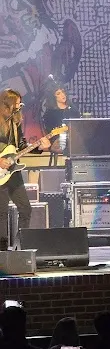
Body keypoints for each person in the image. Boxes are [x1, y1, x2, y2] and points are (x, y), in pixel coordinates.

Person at [0, 89, 50, 250]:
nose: (19, 105)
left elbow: (21, 146)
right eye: (17, 103)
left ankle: (19, 247)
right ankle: (1, 250)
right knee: (1, 212)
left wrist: (39, 147)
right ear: (7, 104)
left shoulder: (15, 123)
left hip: (13, 171)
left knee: (25, 208)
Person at [42, 86, 78, 152]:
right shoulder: (50, 113)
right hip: (58, 139)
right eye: (58, 93)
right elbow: (50, 131)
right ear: (53, 97)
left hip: (75, 137)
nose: (62, 95)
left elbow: (79, 124)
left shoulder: (73, 109)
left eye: (63, 92)